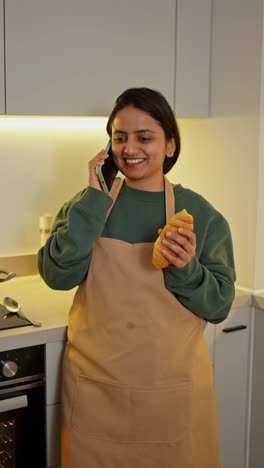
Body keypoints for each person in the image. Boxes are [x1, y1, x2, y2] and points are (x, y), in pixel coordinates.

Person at [38, 87, 236, 468]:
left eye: (145, 137)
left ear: (170, 146)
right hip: (95, 390)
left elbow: (220, 305)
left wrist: (186, 268)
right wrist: (94, 201)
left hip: (171, 393)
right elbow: (56, 276)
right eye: (120, 137)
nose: (130, 148)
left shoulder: (200, 214)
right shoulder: (86, 203)